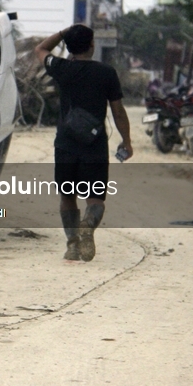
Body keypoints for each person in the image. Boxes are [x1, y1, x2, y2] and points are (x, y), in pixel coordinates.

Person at [34, 24, 132, 262]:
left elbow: (41, 48)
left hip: (66, 144)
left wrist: (63, 32)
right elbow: (118, 111)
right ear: (92, 46)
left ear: (68, 46)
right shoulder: (106, 73)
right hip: (94, 145)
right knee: (96, 198)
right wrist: (126, 141)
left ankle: (72, 246)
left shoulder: (61, 68)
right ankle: (88, 224)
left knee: (67, 195)